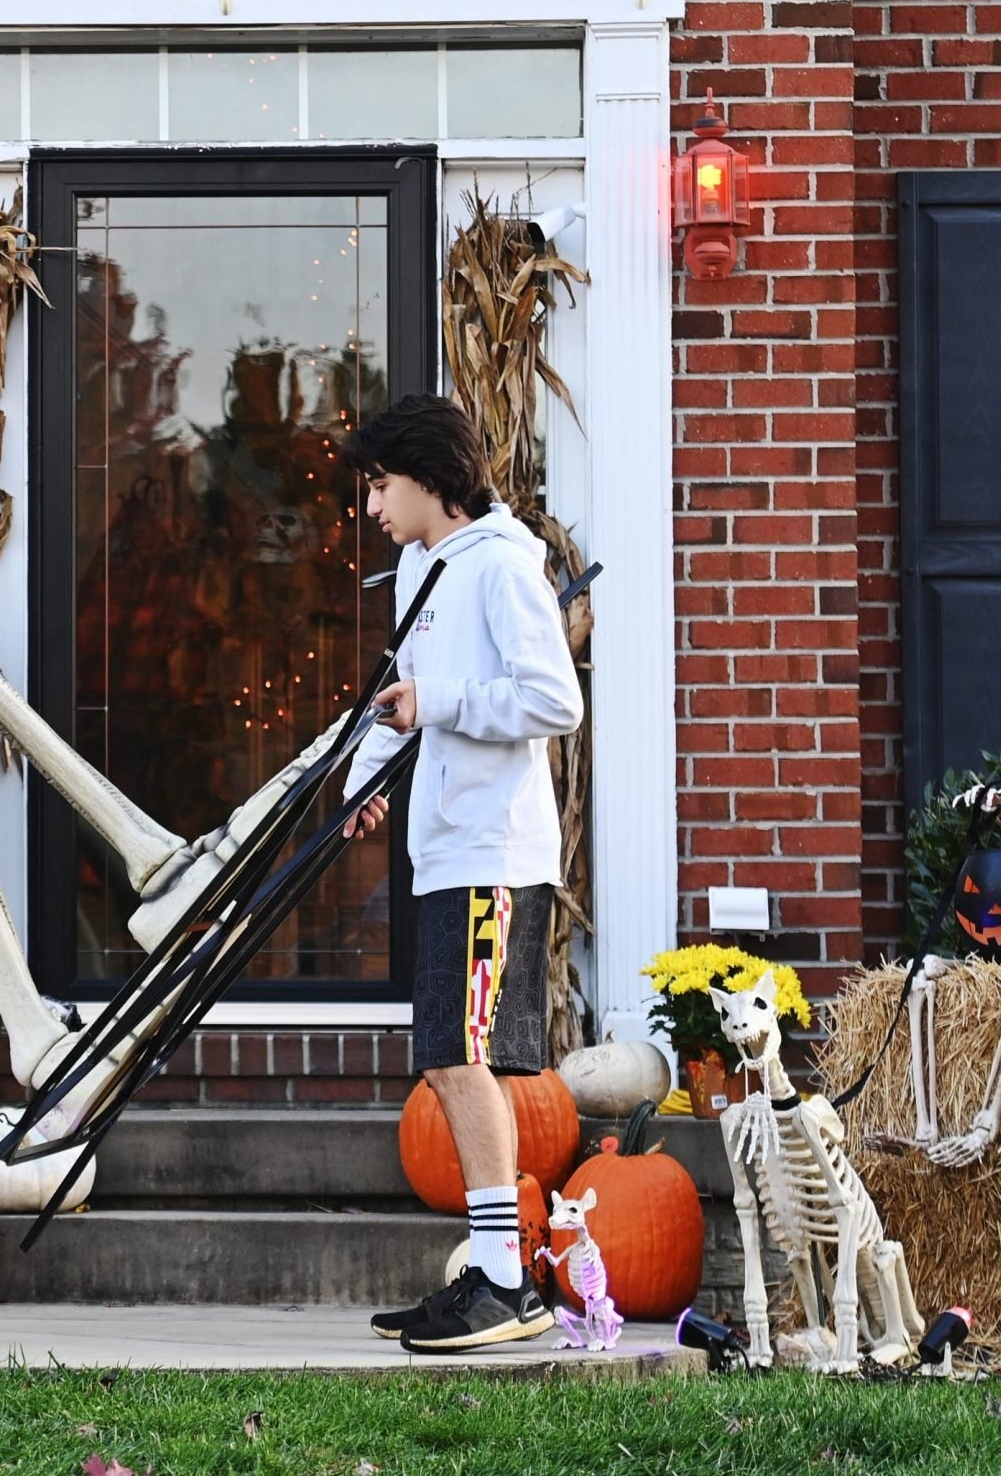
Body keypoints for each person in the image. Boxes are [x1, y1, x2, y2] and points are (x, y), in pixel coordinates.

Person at [341, 393, 583, 1353]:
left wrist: (435, 703)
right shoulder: (421, 569)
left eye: (380, 485)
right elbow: (402, 695)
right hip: (442, 847)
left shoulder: (503, 567)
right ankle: (487, 1272)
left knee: (458, 1055)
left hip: (491, 852)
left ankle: (502, 1282)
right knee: (446, 1056)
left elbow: (550, 698)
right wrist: (368, 781)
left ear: (431, 480)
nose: (372, 506)